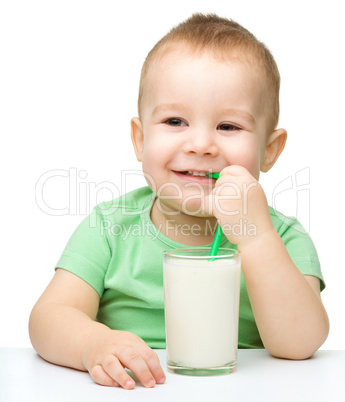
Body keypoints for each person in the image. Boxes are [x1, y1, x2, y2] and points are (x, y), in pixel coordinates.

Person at [29, 13, 329, 390]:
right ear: (140, 140)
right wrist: (92, 343)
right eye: (174, 121)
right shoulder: (111, 226)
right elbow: (48, 318)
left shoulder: (281, 237)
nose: (200, 145)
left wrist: (255, 238)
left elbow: (301, 344)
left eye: (228, 127)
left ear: (269, 150)